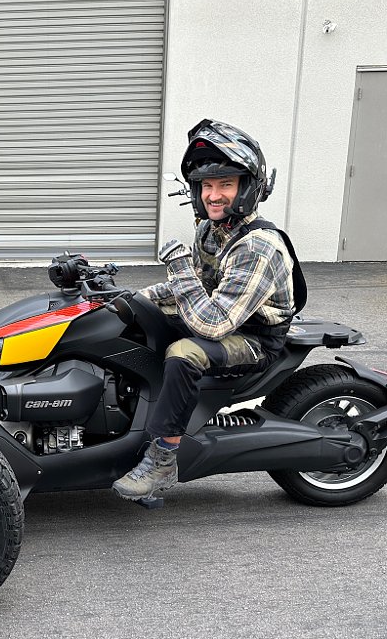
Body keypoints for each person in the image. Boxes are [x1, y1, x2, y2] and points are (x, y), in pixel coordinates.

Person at [112, 119, 301, 501]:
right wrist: (127, 300)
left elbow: (212, 323)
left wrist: (178, 266)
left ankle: (163, 456)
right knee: (133, 323)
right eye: (206, 186)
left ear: (247, 187)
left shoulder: (258, 246)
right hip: (219, 314)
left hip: (253, 338)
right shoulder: (210, 232)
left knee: (183, 353)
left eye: (225, 185)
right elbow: (194, 288)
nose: (213, 195)